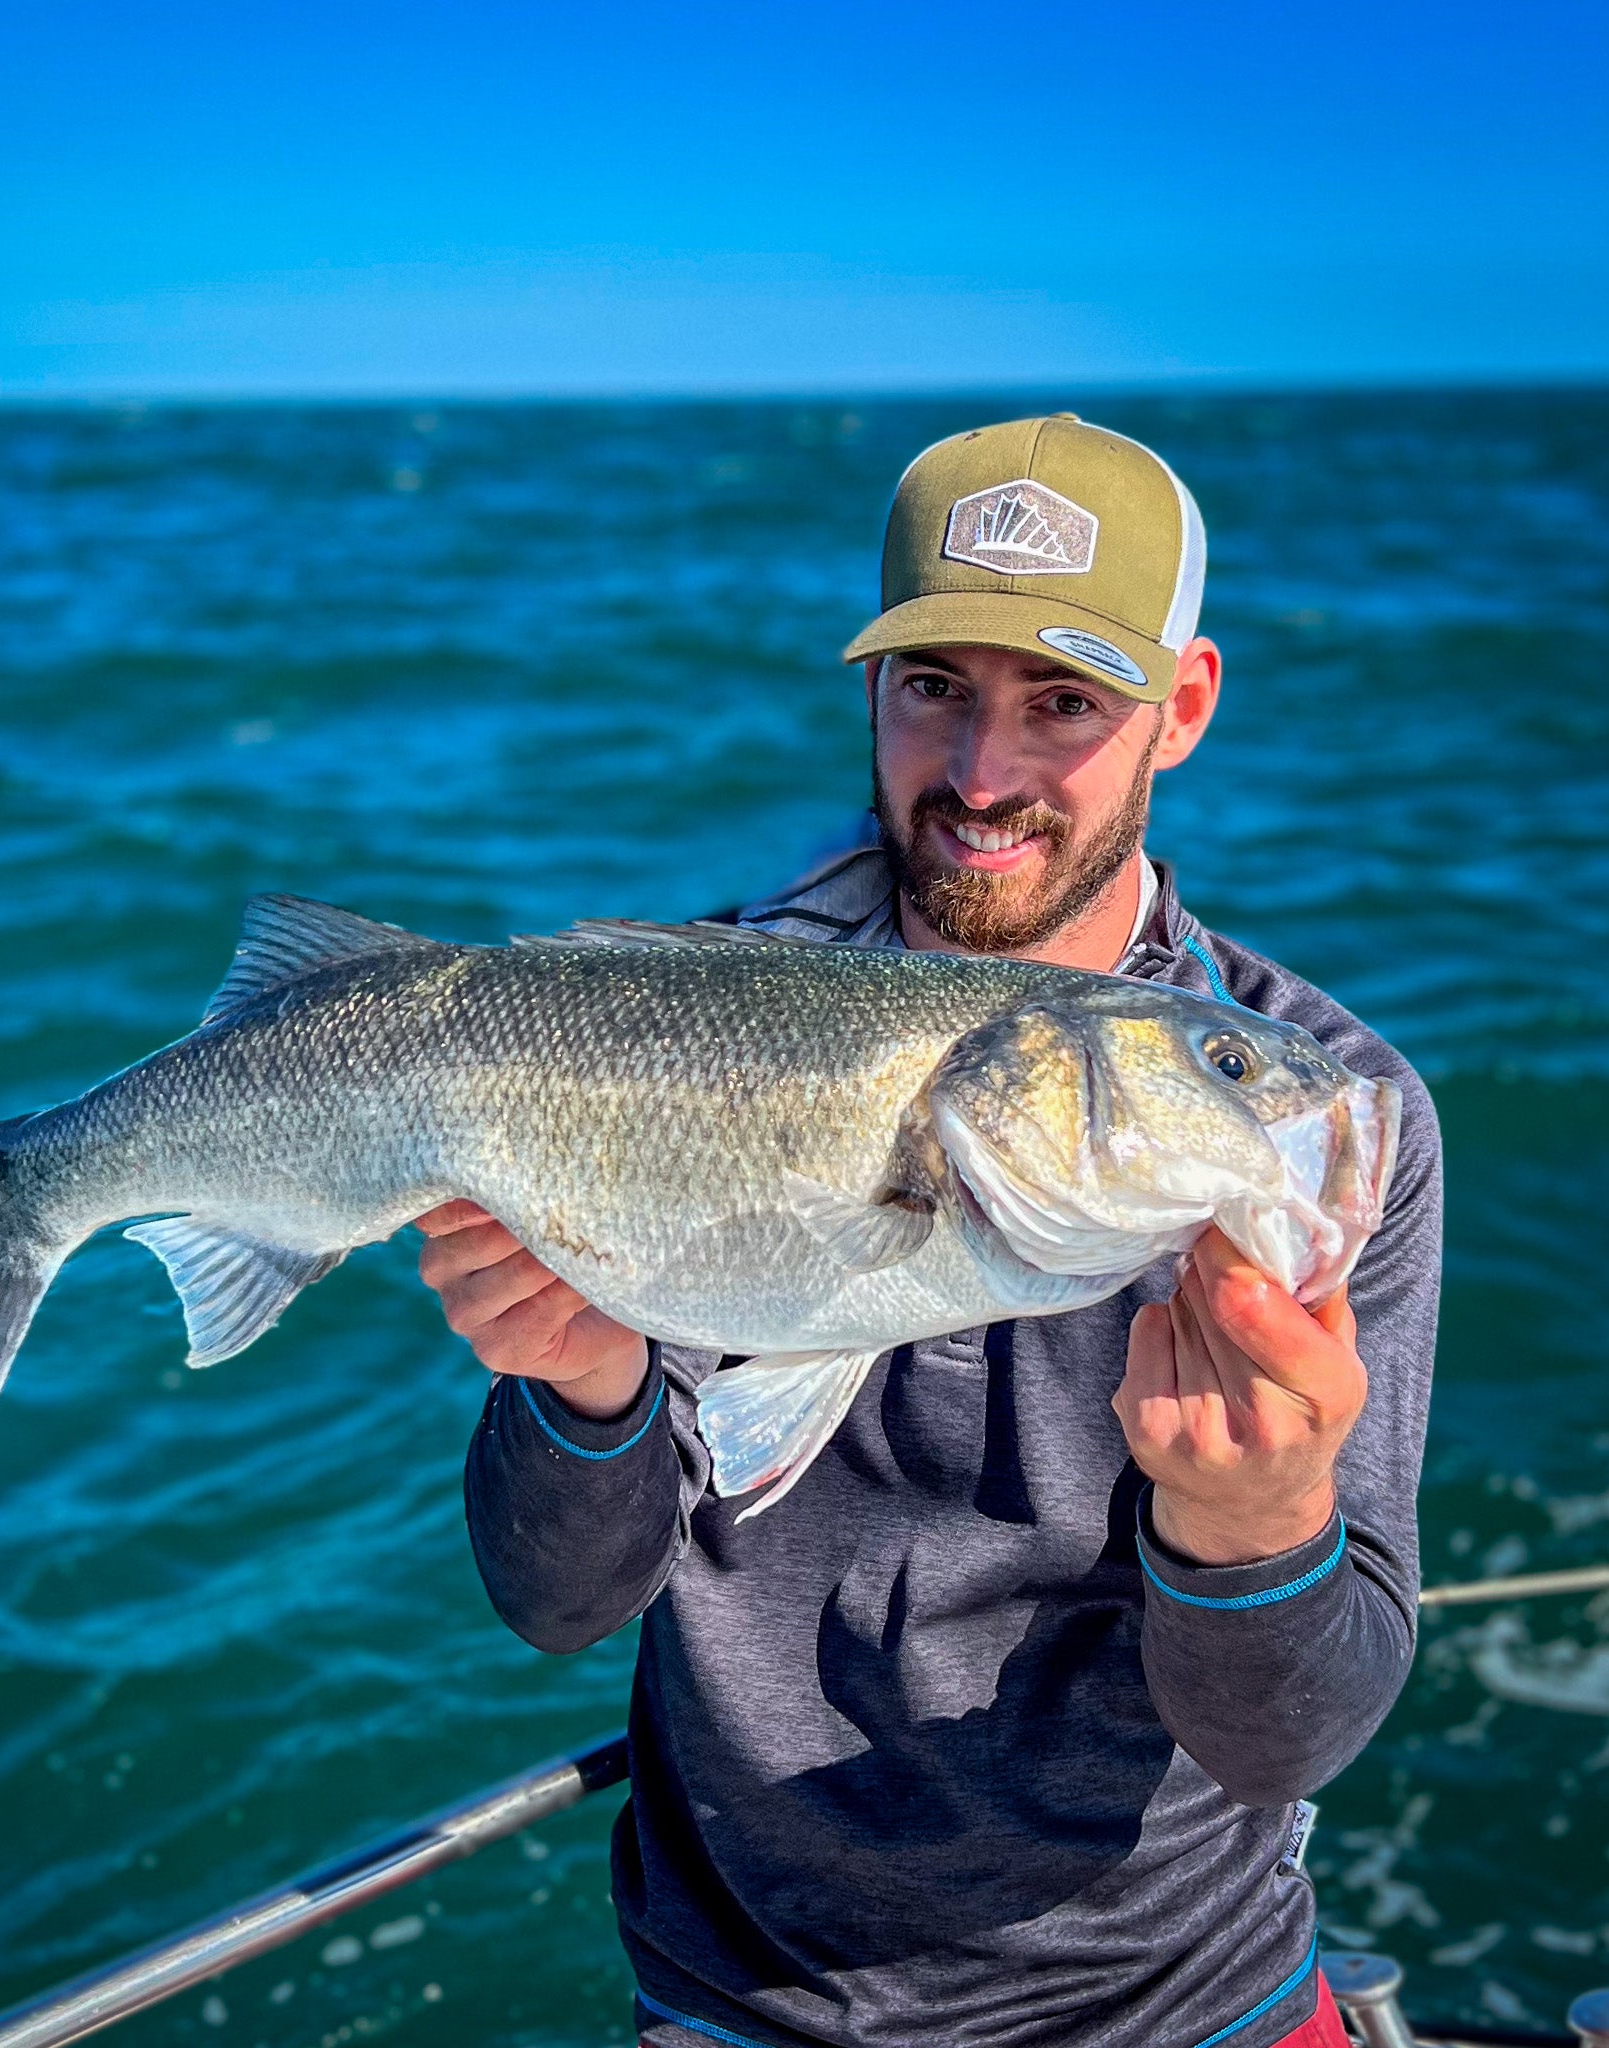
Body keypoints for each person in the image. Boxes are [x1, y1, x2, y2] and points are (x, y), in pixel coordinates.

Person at [416, 416, 1440, 2048]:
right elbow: (557, 1603)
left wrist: (1255, 1525)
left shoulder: (1316, 1113)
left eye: (1063, 704)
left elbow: (1287, 1744)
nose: (982, 778)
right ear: (870, 692)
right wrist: (585, 1392)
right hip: (741, 1995)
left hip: (1187, 2001)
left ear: (1183, 708)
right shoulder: (671, 1030)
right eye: (933, 689)